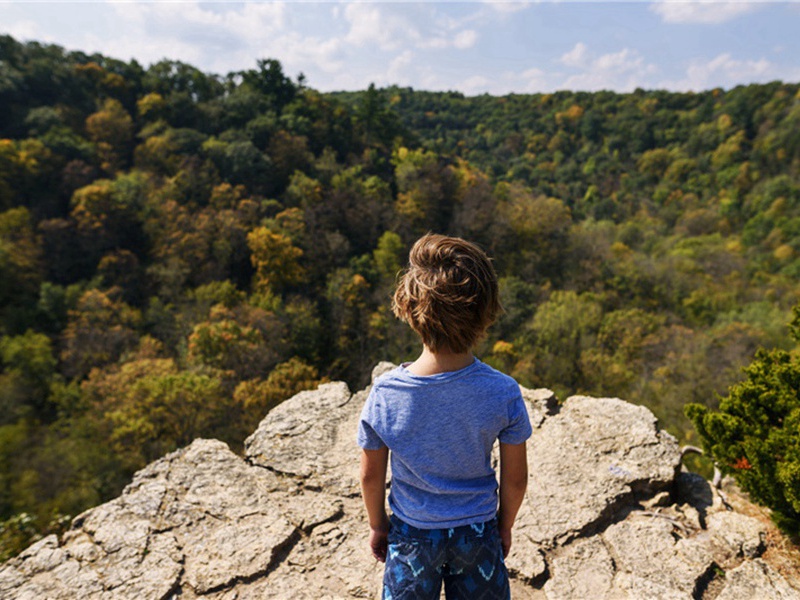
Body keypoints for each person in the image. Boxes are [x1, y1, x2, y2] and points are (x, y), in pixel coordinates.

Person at [357, 233, 532, 599]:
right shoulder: (503, 392)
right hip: (478, 532)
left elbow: (371, 475)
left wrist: (378, 525)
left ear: (407, 307)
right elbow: (515, 481)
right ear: (486, 311)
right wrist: (504, 526)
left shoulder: (386, 393)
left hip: (411, 536)